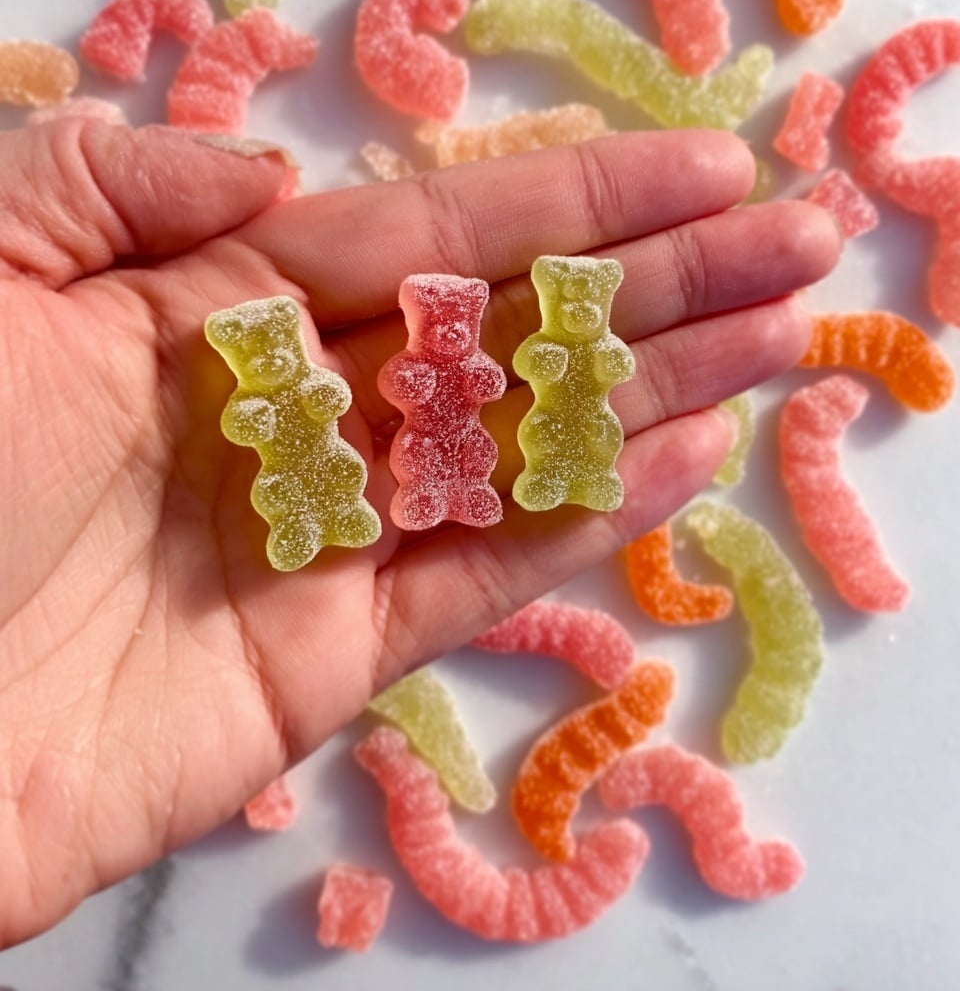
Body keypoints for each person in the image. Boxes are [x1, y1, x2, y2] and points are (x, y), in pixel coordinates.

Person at [0, 119, 839, 947]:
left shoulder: (524, 359)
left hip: (471, 466)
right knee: (422, 461)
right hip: (332, 495)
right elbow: (334, 402)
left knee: (519, 443)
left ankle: (502, 473)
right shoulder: (294, 391)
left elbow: (523, 374)